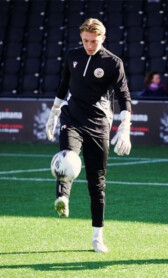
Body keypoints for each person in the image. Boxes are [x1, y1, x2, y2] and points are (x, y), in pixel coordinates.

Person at [45, 18, 132, 253]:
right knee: (67, 155)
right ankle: (63, 198)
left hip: (98, 125)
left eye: (93, 41)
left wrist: (125, 127)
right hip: (72, 118)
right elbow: (64, 84)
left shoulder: (114, 63)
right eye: (85, 40)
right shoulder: (72, 55)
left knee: (97, 184)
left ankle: (97, 237)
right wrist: (54, 114)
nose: (89, 45)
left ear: (102, 38)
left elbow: (124, 95)